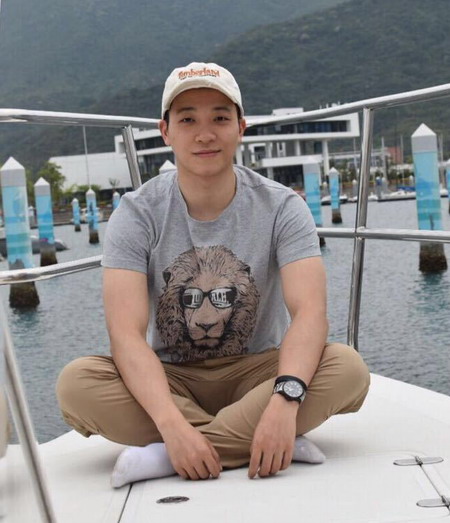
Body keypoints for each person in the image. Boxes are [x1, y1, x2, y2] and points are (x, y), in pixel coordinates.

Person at [56, 62, 370, 488]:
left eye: (220, 118)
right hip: (173, 378)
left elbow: (310, 313)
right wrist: (171, 423)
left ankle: (170, 456)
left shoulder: (282, 206)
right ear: (165, 131)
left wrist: (284, 400)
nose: (205, 135)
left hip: (259, 371)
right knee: (77, 384)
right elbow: (126, 334)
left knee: (346, 367)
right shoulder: (137, 213)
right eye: (188, 120)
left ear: (240, 127)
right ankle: (253, 440)